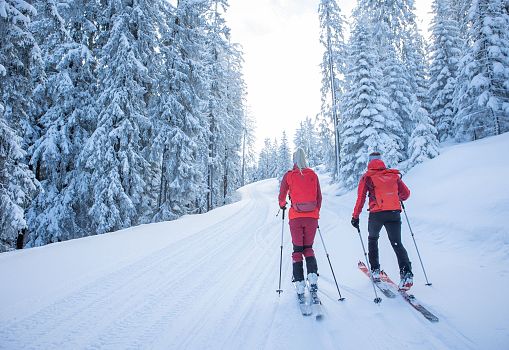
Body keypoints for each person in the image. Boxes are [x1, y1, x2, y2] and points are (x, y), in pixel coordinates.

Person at [350, 151, 413, 290]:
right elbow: (406, 194)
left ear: (369, 162)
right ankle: (407, 274)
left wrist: (355, 216)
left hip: (377, 214)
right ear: (381, 161)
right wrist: (396, 198)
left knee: (373, 239)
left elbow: (360, 199)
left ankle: (375, 271)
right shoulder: (392, 175)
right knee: (397, 243)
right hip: (394, 213)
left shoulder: (367, 177)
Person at [278, 148, 322, 297]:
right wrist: (315, 212)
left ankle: (300, 284)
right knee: (308, 248)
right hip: (311, 218)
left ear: (294, 160)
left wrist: (282, 205)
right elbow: (319, 197)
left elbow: (282, 196)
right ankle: (313, 277)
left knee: (297, 250)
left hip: (295, 218)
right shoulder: (313, 175)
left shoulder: (289, 175)